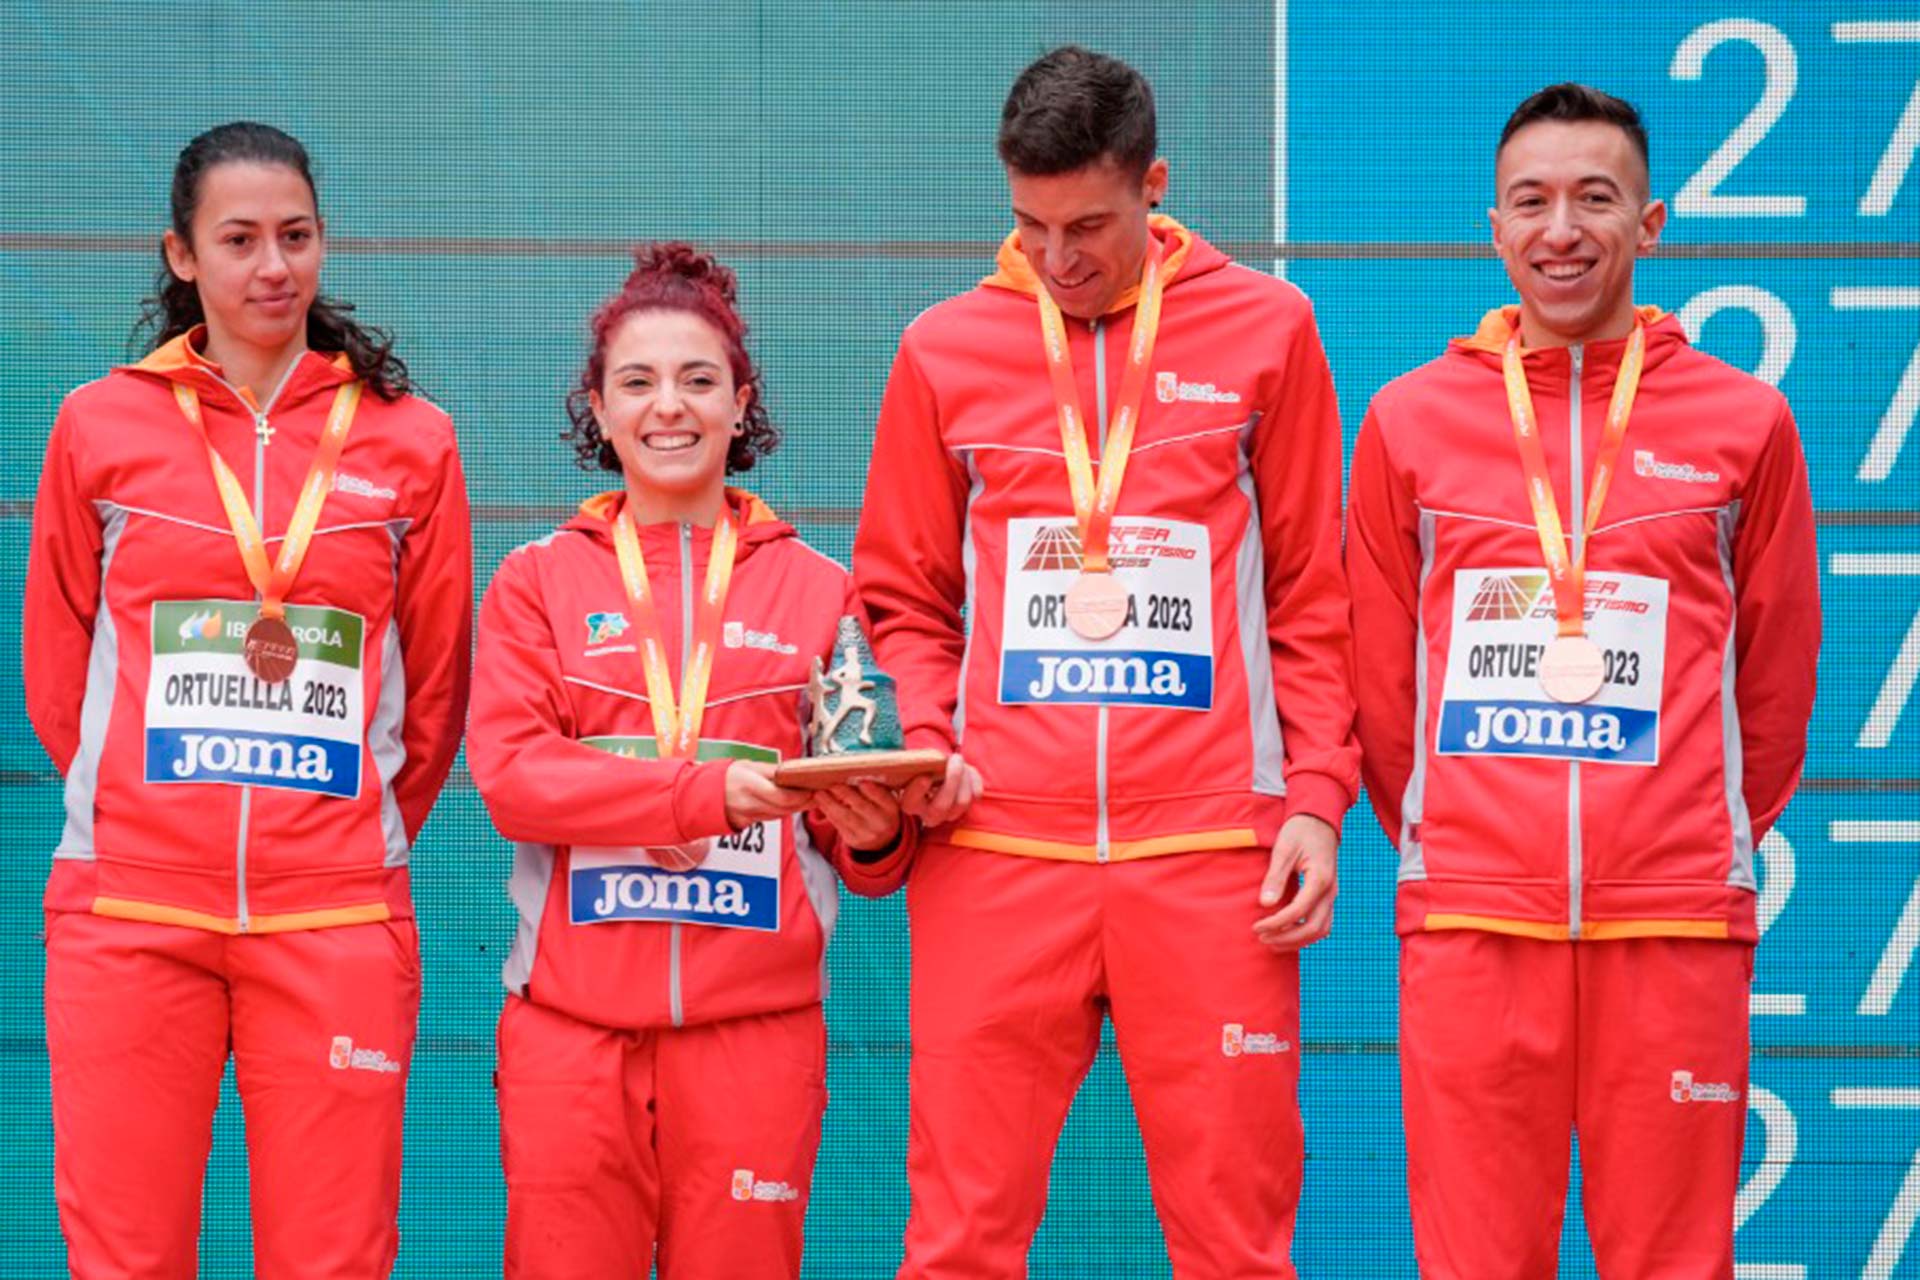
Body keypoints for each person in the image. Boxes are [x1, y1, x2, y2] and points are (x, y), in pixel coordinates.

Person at [854, 45, 1358, 1278]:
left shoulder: (1269, 329)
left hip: (1207, 862)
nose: (1058, 256)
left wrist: (1317, 801)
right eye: (1028, 226)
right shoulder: (942, 348)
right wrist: (932, 735)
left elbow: (1310, 595)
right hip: (997, 852)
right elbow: (903, 594)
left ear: (1156, 188)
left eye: (1088, 224)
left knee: (1236, 1243)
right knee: (959, 1238)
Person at [1345, 83, 1820, 1278]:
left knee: (1673, 1260)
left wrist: (1680, 828)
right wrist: (1458, 829)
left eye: (1594, 199)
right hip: (1468, 918)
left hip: (1670, 924)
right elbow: (1383, 676)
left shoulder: (1745, 421)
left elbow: (1775, 671)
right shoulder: (1408, 421)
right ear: (1492, 230)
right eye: (1533, 202)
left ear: (1650, 222)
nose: (1562, 228)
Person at [24, 122, 472, 1278]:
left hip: (332, 919)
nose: (273, 266)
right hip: (131, 913)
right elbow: (59, 670)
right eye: (240, 240)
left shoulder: (411, 441)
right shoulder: (98, 424)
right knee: (124, 1255)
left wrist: (337, 839)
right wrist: (141, 815)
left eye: (296, 236)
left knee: (333, 1257)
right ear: (182, 256)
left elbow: (434, 696)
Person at [466, 242, 916, 1279]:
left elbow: (868, 840)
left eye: (698, 379)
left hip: (755, 1035)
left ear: (740, 400)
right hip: (571, 1037)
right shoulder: (535, 580)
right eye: (638, 381)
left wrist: (878, 830)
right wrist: (697, 794)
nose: (669, 406)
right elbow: (515, 776)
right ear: (599, 405)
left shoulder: (818, 588)